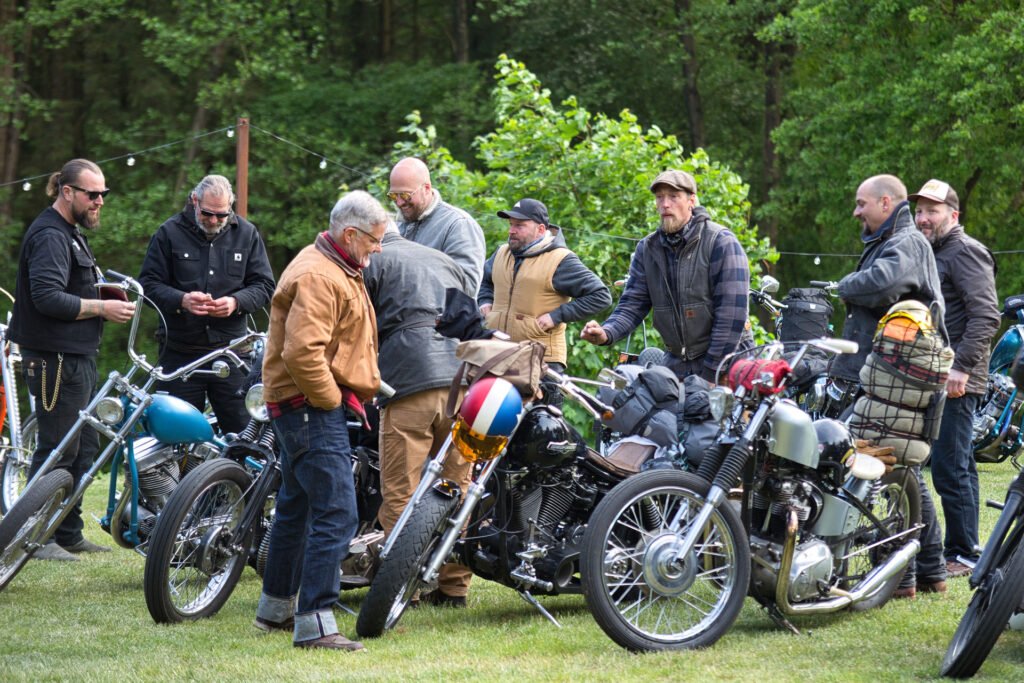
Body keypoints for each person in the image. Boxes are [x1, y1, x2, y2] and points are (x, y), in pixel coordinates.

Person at [253, 190, 387, 651]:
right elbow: (302, 352)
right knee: (338, 511)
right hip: (309, 408)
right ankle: (315, 624)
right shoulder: (318, 274)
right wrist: (330, 401)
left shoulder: (331, 264)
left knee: (296, 506)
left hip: (299, 406)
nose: (376, 249)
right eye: (373, 241)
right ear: (350, 234)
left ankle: (274, 609)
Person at [8, 158, 135, 561]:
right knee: (57, 447)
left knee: (83, 448)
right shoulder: (50, 234)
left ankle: (68, 532)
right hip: (54, 359)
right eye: (92, 194)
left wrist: (105, 293)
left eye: (103, 194)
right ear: (67, 192)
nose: (99, 201)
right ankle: (36, 536)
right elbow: (47, 297)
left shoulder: (70, 233)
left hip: (75, 356)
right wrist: (101, 307)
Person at [832, 174, 948, 599]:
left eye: (862, 203)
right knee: (902, 469)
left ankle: (904, 576)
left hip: (897, 381)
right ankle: (927, 571)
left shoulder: (907, 242)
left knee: (893, 469)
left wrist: (840, 285)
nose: (856, 212)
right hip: (890, 377)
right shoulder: (892, 240)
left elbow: (883, 283)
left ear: (885, 202)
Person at [363, 222, 476, 608]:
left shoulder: (373, 261)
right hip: (461, 385)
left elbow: (360, 324)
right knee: (459, 485)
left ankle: (397, 587)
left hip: (407, 383)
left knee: (401, 489)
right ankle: (454, 588)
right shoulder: (446, 260)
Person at [580, 170, 752, 382]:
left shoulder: (720, 242)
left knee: (712, 414)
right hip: (677, 363)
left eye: (673, 196)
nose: (665, 204)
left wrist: (710, 376)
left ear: (692, 201)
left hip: (729, 363)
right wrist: (606, 333)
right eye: (660, 197)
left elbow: (731, 316)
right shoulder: (648, 249)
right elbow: (633, 303)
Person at [138, 175, 275, 435]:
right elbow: (148, 285)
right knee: (172, 437)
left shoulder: (247, 234)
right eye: (208, 213)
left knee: (244, 434)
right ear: (194, 201)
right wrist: (182, 300)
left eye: (221, 215)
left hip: (232, 353)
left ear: (230, 207)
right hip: (180, 355)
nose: (213, 221)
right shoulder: (168, 233)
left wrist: (236, 302)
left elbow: (266, 286)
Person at [911, 178, 999, 579]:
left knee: (950, 467)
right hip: (934, 374)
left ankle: (962, 553)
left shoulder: (965, 251)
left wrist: (960, 368)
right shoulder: (931, 252)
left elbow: (986, 317)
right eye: (920, 210)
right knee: (955, 463)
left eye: (932, 210)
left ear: (953, 214)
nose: (924, 218)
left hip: (957, 378)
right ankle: (964, 547)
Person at [388, 157, 486, 293]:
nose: (399, 203)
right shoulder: (396, 226)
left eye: (405, 195)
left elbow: (466, 288)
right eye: (393, 196)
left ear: (426, 188)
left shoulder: (458, 225)